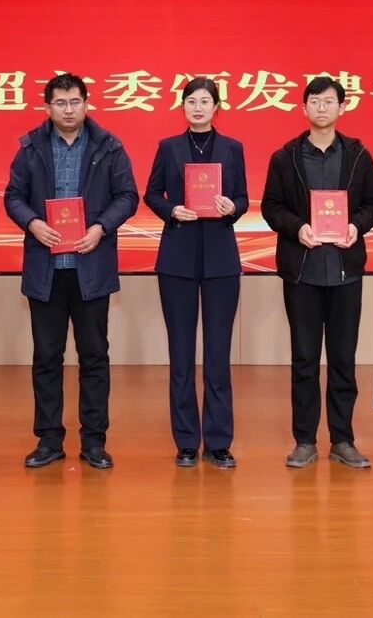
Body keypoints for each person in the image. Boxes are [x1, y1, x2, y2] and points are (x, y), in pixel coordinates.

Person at [4, 73, 139, 470]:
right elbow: (13, 196)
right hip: (46, 269)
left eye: (75, 101)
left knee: (94, 357)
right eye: (60, 103)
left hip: (90, 268)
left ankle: (94, 441)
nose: (68, 109)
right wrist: (32, 223)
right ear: (48, 107)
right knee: (47, 357)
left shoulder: (109, 146)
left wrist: (100, 227)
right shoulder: (31, 147)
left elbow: (127, 196)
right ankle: (49, 440)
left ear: (86, 103)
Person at [261, 76, 373, 470]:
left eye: (329, 101)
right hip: (302, 272)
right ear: (304, 108)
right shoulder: (285, 157)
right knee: (304, 359)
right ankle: (304, 441)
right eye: (314, 101)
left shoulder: (357, 154)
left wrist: (356, 226)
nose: (321, 107)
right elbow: (271, 207)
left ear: (342, 108)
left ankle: (343, 439)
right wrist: (297, 227)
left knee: (343, 359)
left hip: (345, 271)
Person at [143, 78, 249, 469]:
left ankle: (218, 442)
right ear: (183, 107)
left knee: (218, 355)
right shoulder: (168, 147)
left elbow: (242, 198)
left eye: (205, 101)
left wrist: (231, 207)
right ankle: (187, 441)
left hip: (221, 259)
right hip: (177, 259)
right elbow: (151, 193)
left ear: (217, 107)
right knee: (181, 354)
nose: (198, 107)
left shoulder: (232, 148)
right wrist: (171, 210)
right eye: (191, 101)